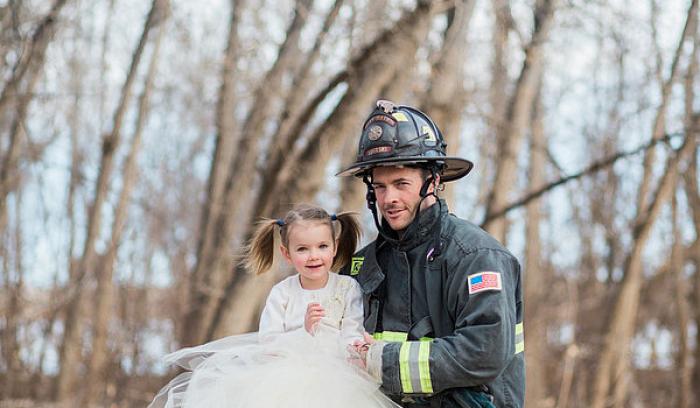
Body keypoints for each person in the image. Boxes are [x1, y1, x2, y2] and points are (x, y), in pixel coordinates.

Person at [337, 100, 525, 408]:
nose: (389, 199)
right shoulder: (361, 266)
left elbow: (484, 351)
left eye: (401, 184)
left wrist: (382, 361)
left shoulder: (476, 256)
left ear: (433, 181)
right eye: (380, 187)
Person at [149, 204, 400, 408]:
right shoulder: (283, 293)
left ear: (334, 247)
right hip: (286, 377)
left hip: (339, 376)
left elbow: (351, 329)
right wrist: (304, 330)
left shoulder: (346, 287)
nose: (313, 255)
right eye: (302, 249)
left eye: (322, 246)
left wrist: (357, 350)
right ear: (287, 254)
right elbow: (269, 342)